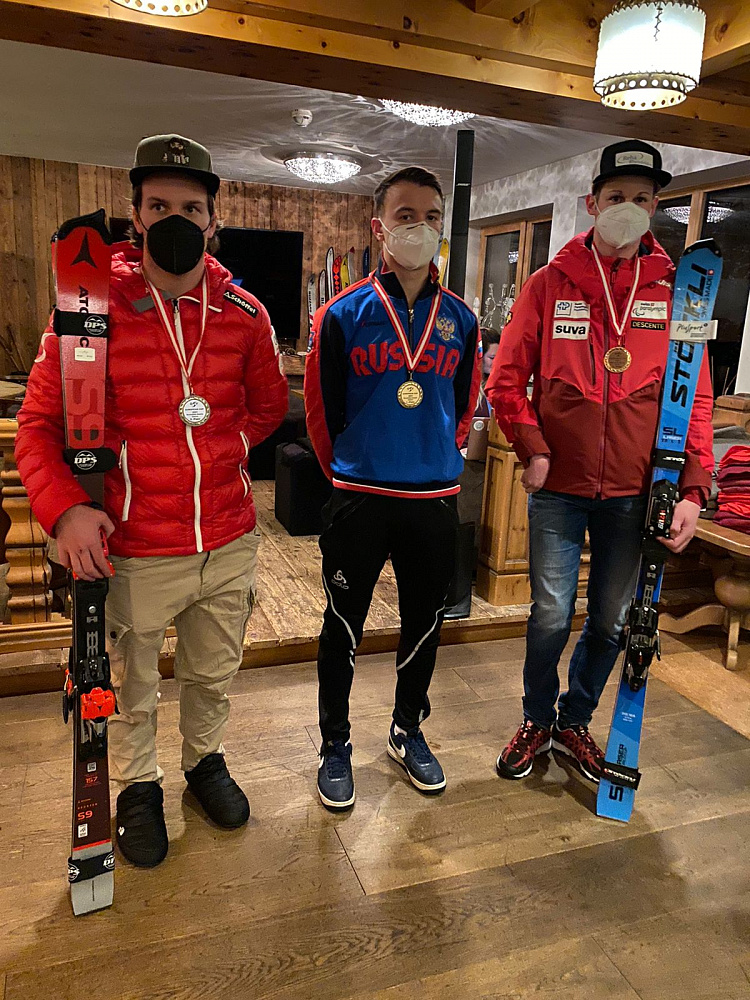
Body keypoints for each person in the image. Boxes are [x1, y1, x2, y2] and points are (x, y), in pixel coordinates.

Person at [15, 134, 288, 866]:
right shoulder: (86, 308)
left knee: (212, 672)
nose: (175, 219)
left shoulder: (245, 313)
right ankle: (138, 786)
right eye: (159, 205)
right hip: (136, 549)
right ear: (135, 215)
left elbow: (267, 409)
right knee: (130, 683)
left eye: (191, 208)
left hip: (226, 540)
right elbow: (37, 426)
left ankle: (204, 762)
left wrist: (222, 448)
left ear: (212, 221)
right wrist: (65, 510)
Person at [486, 139, 713, 783]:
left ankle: (574, 721)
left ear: (656, 207)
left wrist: (693, 489)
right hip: (560, 486)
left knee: (611, 621)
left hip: (637, 491)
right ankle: (536, 718)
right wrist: (533, 447)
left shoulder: (678, 294)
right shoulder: (547, 285)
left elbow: (694, 398)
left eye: (642, 198)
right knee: (551, 614)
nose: (628, 208)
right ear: (592, 203)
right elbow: (505, 383)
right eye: (616, 197)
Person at [305, 166, 482, 809]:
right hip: (360, 495)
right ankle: (334, 744)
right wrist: (350, 470)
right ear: (380, 227)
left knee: (425, 623)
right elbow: (321, 409)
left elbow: (464, 402)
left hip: (432, 500)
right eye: (406, 215)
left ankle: (407, 730)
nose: (420, 227)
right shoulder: (341, 314)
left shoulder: (461, 319)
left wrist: (438, 455)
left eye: (431, 217)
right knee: (342, 625)